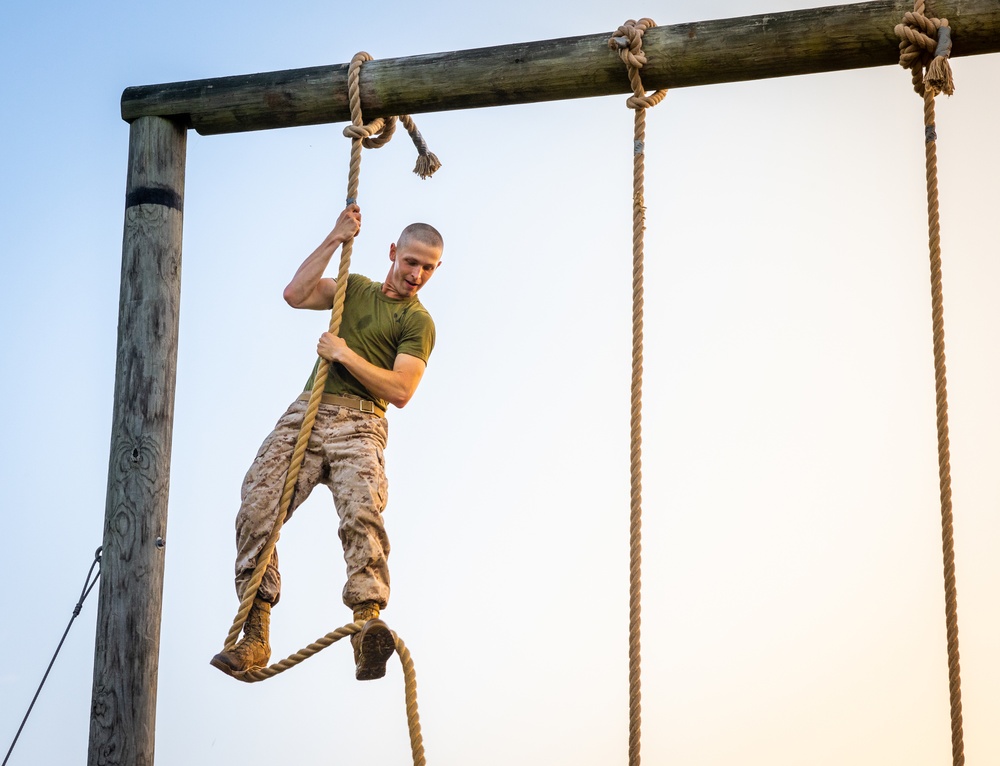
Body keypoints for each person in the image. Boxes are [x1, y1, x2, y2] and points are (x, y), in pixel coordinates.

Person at [210, 203, 444, 681]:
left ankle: (367, 627)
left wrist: (344, 354)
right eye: (411, 261)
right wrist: (336, 237)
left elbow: (401, 390)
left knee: (362, 515)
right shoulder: (354, 288)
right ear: (394, 253)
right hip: (308, 413)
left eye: (428, 267)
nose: (417, 274)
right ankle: (255, 632)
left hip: (360, 424)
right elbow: (295, 294)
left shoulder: (418, 322)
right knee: (257, 504)